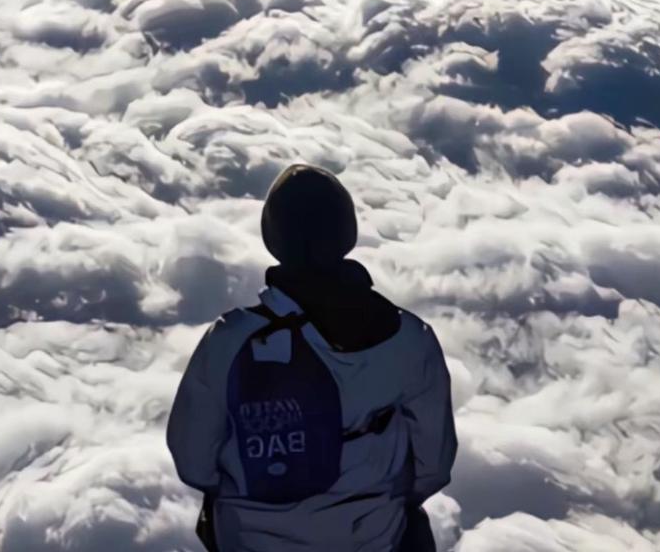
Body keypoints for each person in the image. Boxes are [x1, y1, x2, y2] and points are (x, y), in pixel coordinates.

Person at [167, 163, 457, 552]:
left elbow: (193, 461)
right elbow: (433, 466)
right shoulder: (409, 340)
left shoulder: (229, 342)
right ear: (347, 232)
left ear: (274, 237)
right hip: (373, 539)